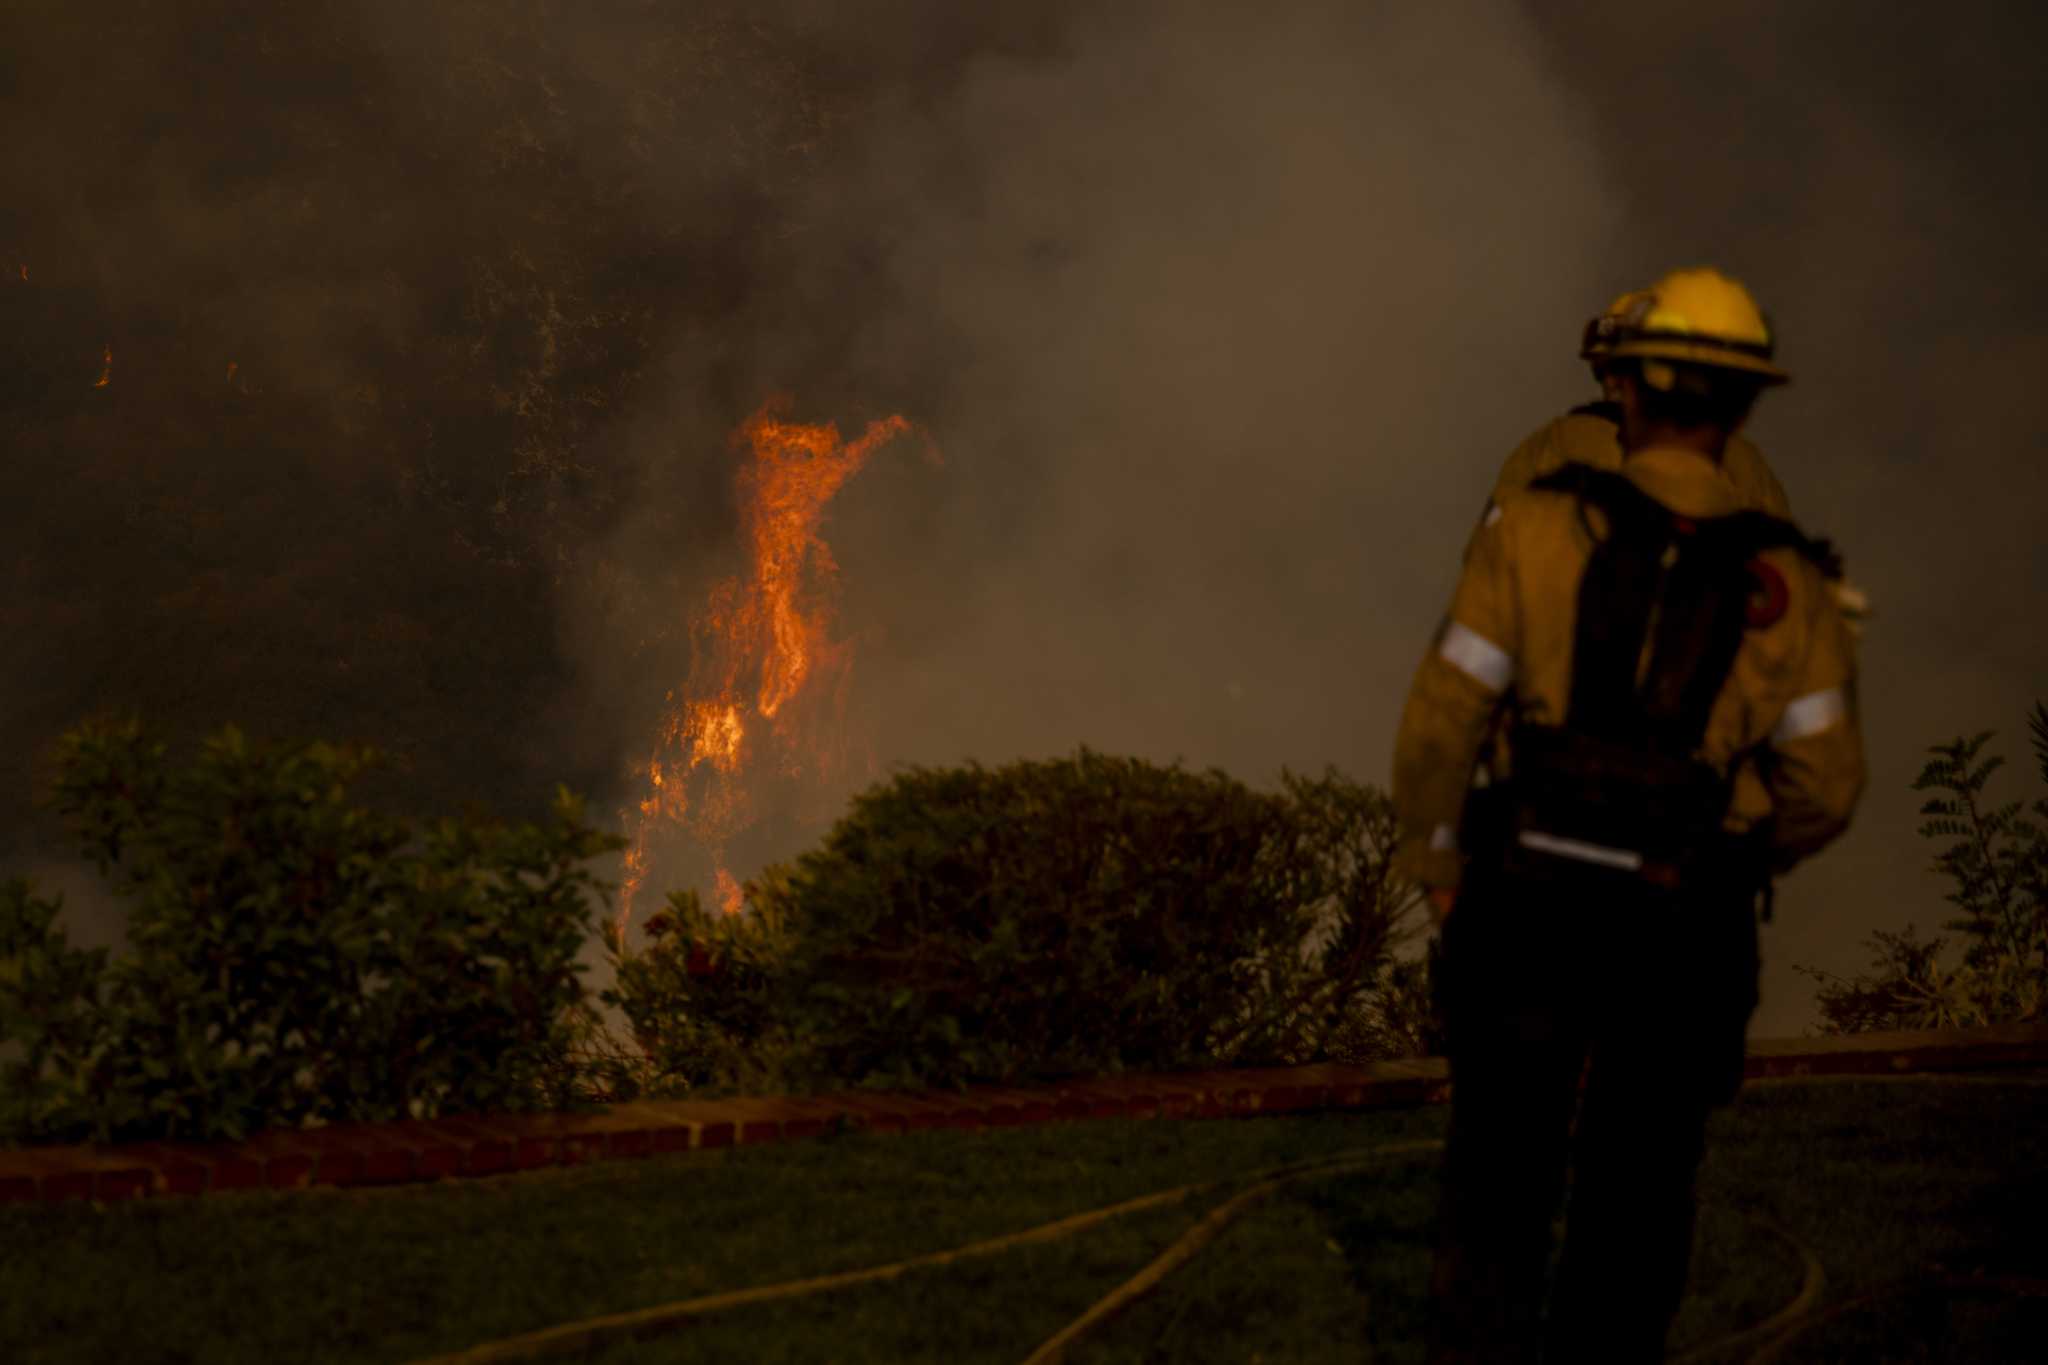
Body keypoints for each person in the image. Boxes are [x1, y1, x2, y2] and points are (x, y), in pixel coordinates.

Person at [1391, 267, 1866, 1362]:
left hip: (1530, 894)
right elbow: (1823, 782)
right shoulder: (1769, 532)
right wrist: (1728, 853)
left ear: (1619, 377)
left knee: (1499, 1181)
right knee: (1641, 1186)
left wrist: (1440, 860)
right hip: (1681, 911)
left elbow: (1448, 704)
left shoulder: (1538, 486)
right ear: (1740, 397)